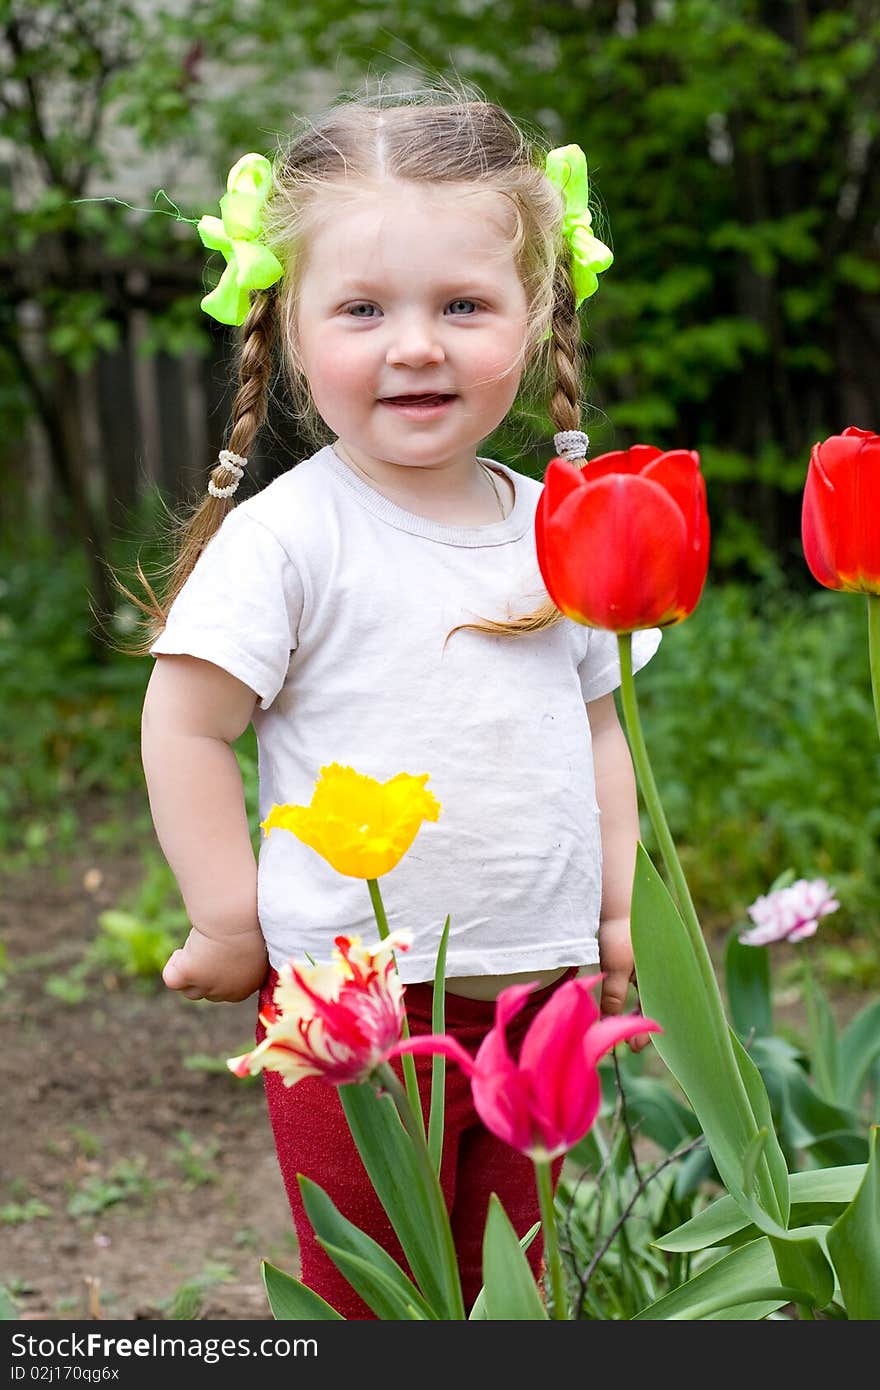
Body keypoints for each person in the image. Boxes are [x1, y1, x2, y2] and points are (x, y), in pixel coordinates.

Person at [131, 82, 663, 1319]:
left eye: (462, 305)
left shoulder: (556, 529)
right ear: (293, 324)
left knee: (511, 1275)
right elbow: (187, 723)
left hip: (536, 980)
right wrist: (227, 916)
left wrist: (621, 912)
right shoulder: (291, 537)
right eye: (363, 308)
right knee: (372, 1275)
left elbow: (598, 730)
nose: (414, 344)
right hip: (347, 991)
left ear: (534, 321)